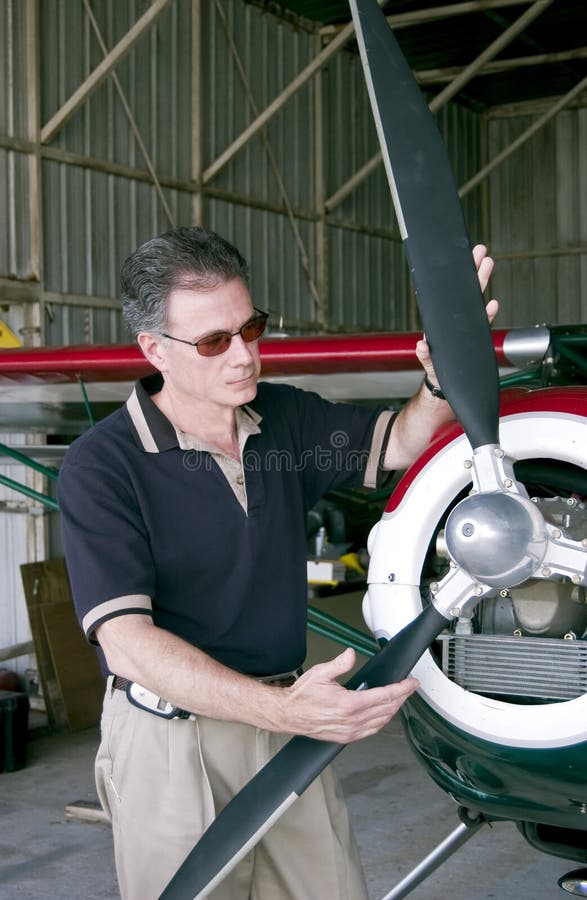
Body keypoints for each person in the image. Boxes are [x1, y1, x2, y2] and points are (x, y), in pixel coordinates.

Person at [58, 226, 497, 900]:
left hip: (291, 715)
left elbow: (402, 442)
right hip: (172, 739)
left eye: (251, 327)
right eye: (213, 341)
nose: (243, 356)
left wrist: (441, 371)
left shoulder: (283, 423)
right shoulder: (102, 466)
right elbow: (129, 647)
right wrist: (283, 712)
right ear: (154, 349)